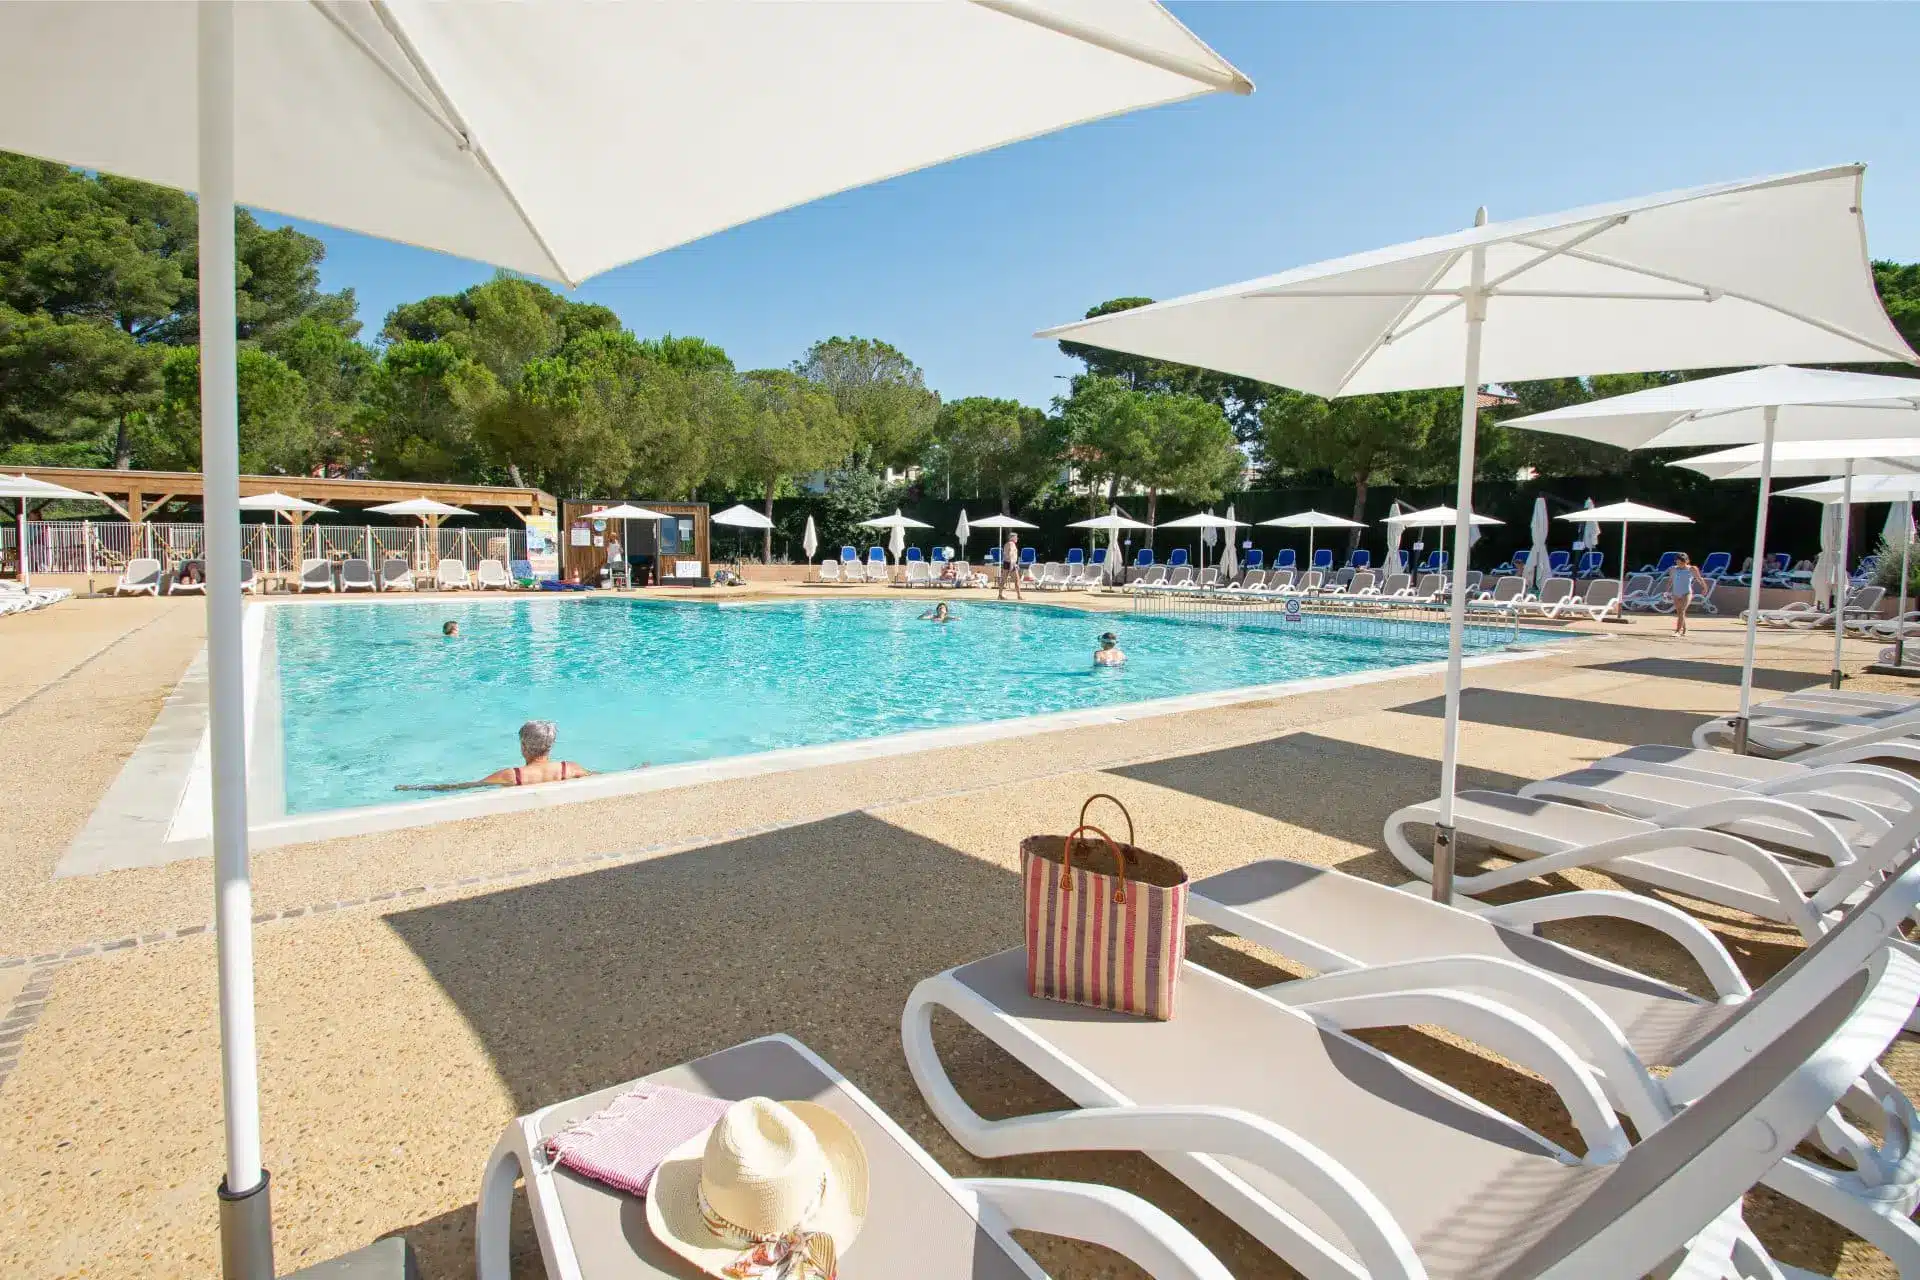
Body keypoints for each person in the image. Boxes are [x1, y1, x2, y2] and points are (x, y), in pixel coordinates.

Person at [396, 720, 592, 792]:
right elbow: (598, 777)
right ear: (550, 745)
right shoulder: (570, 768)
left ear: (523, 746)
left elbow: (466, 786)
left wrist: (417, 787)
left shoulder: (511, 775)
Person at [1669, 552, 1708, 636]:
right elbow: (1670, 580)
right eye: (1678, 562)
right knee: (1679, 612)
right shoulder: (1673, 569)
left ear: (1686, 561)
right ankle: (1684, 628)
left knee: (1682, 611)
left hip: (1686, 593)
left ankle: (1677, 631)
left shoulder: (1692, 568)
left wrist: (1705, 588)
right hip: (1675, 592)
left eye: (1681, 562)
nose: (1679, 564)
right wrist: (1666, 591)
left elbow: (1699, 579)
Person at [998, 531, 1023, 601]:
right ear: (1012, 537)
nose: (1017, 538)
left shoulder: (1007, 544)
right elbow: (1011, 553)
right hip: (1011, 563)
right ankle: (1019, 596)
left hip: (1006, 563)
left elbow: (1005, 554)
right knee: (1017, 580)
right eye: (1016, 537)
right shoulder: (1012, 544)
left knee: (1003, 580)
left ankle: (1000, 595)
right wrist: (1013, 564)